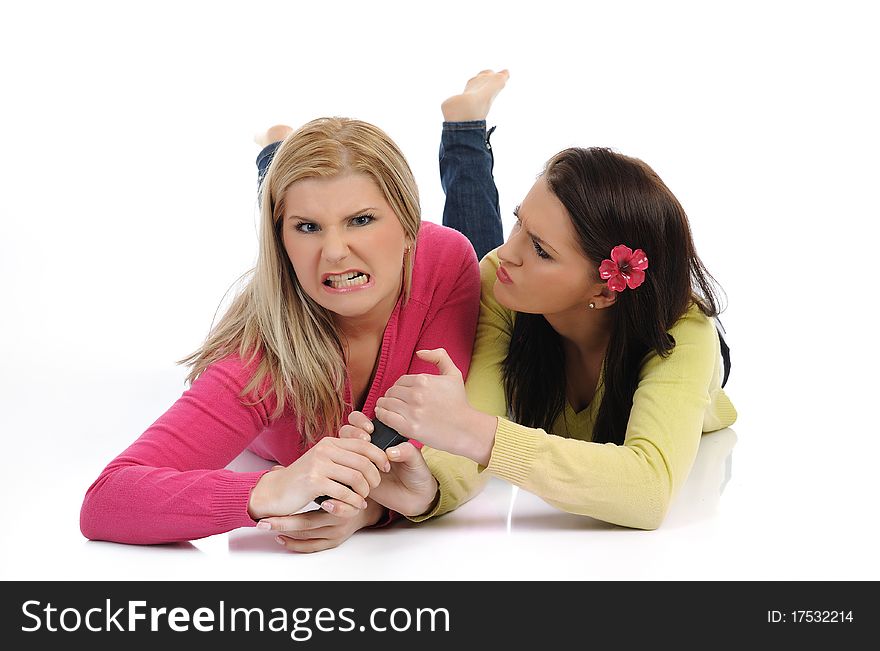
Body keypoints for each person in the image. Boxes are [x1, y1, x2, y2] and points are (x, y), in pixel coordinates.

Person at [342, 69, 737, 530]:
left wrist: (475, 432)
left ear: (606, 287)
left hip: (680, 360)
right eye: (519, 222)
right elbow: (475, 409)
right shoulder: (499, 275)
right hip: (537, 309)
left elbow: (648, 491)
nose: (507, 252)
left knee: (473, 246)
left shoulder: (682, 334)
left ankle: (463, 131)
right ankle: (290, 160)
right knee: (473, 249)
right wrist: (424, 491)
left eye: (541, 250)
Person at [79, 117, 482, 552]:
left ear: (408, 226)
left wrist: (365, 511)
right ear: (281, 244)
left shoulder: (445, 258)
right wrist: (269, 490)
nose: (333, 251)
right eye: (306, 228)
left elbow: (429, 428)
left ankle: (278, 154)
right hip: (277, 326)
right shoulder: (257, 360)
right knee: (287, 188)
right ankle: (274, 154)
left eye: (361, 220)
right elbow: (106, 501)